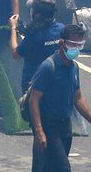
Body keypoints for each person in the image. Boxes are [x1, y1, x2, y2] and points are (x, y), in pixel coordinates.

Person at [29, 24, 91, 172]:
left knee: (49, 167)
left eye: (79, 45)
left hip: (65, 125)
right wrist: (39, 132)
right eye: (72, 44)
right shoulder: (48, 67)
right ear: (62, 43)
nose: (76, 49)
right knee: (62, 168)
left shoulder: (74, 67)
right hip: (49, 125)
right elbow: (34, 99)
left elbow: (77, 98)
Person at [11, 0, 63, 93]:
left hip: (32, 83)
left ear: (37, 14)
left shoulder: (34, 35)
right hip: (55, 82)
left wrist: (13, 28)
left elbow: (16, 54)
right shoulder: (61, 29)